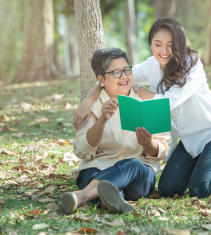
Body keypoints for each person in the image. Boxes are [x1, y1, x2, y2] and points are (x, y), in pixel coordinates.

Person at [73, 18, 211, 199]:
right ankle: (202, 166)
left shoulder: (192, 64)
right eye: (158, 44)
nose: (164, 51)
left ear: (179, 44)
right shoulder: (151, 65)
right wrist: (88, 100)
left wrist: (140, 90)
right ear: (150, 44)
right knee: (168, 190)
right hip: (189, 140)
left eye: (170, 45)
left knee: (200, 188)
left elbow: (168, 102)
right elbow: (117, 75)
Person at [59, 48, 171, 214]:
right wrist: (103, 120)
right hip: (97, 169)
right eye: (116, 72)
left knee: (132, 164)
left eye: (127, 70)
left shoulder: (147, 103)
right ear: (101, 79)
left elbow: (162, 151)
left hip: (139, 175)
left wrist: (148, 142)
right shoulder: (92, 107)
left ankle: (82, 196)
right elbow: (81, 150)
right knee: (101, 182)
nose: (124, 76)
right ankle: (110, 200)